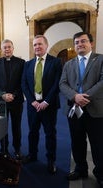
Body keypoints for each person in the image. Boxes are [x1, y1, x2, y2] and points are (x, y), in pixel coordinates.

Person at [59, 32, 103, 186]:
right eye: (77, 42)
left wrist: (85, 97)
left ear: (91, 43)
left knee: (98, 143)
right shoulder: (69, 64)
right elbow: (62, 84)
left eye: (83, 41)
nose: (80, 44)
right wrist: (74, 96)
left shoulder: (101, 59)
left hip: (95, 109)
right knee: (77, 141)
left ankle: (100, 173)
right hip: (74, 109)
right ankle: (80, 169)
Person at [21, 35, 62, 174]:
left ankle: (51, 160)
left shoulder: (56, 62)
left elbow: (57, 84)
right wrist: (32, 101)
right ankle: (32, 155)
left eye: (40, 44)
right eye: (35, 45)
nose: (37, 47)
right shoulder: (28, 64)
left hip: (48, 106)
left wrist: (46, 101)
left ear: (46, 45)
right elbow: (24, 84)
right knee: (32, 132)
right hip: (32, 106)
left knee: (50, 133)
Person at [0, 39, 25, 160]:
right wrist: (3, 94)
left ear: (13, 48)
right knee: (1, 127)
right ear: (1, 49)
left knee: (17, 126)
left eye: (9, 47)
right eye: (4, 47)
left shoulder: (21, 62)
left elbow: (23, 82)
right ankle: (3, 149)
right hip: (1, 100)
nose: (7, 49)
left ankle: (17, 149)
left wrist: (13, 95)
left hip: (16, 101)